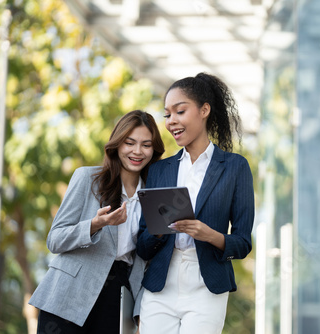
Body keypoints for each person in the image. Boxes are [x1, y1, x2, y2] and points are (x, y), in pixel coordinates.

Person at [136, 72, 255, 334]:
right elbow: (143, 246)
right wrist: (157, 229)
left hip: (207, 284)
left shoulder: (235, 167)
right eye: (167, 115)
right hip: (160, 283)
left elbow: (244, 243)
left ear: (204, 110)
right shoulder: (159, 170)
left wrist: (210, 235)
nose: (171, 121)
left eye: (180, 111)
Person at [29, 110, 165, 333]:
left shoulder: (155, 196)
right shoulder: (87, 179)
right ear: (117, 145)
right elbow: (55, 240)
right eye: (129, 143)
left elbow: (146, 259)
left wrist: (140, 310)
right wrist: (95, 225)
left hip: (118, 295)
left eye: (146, 145)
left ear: (155, 149)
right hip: (70, 293)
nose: (137, 151)